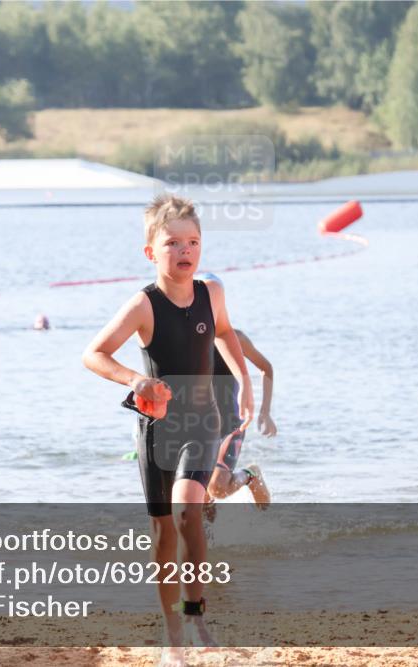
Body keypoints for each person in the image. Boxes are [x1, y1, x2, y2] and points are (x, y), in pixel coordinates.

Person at [83, 195, 253, 667]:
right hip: (156, 430)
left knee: (186, 511)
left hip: (202, 421)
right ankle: (172, 634)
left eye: (193, 241)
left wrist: (244, 382)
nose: (185, 250)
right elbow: (93, 354)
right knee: (162, 535)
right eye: (173, 242)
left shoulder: (210, 294)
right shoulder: (143, 305)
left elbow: (224, 331)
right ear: (151, 252)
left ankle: (196, 613)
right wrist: (136, 380)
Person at [195, 273, 275, 511]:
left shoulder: (235, 338)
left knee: (217, 488)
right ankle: (209, 543)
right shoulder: (185, 340)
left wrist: (265, 412)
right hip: (196, 425)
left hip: (230, 423)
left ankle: (250, 475)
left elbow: (266, 367)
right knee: (198, 494)